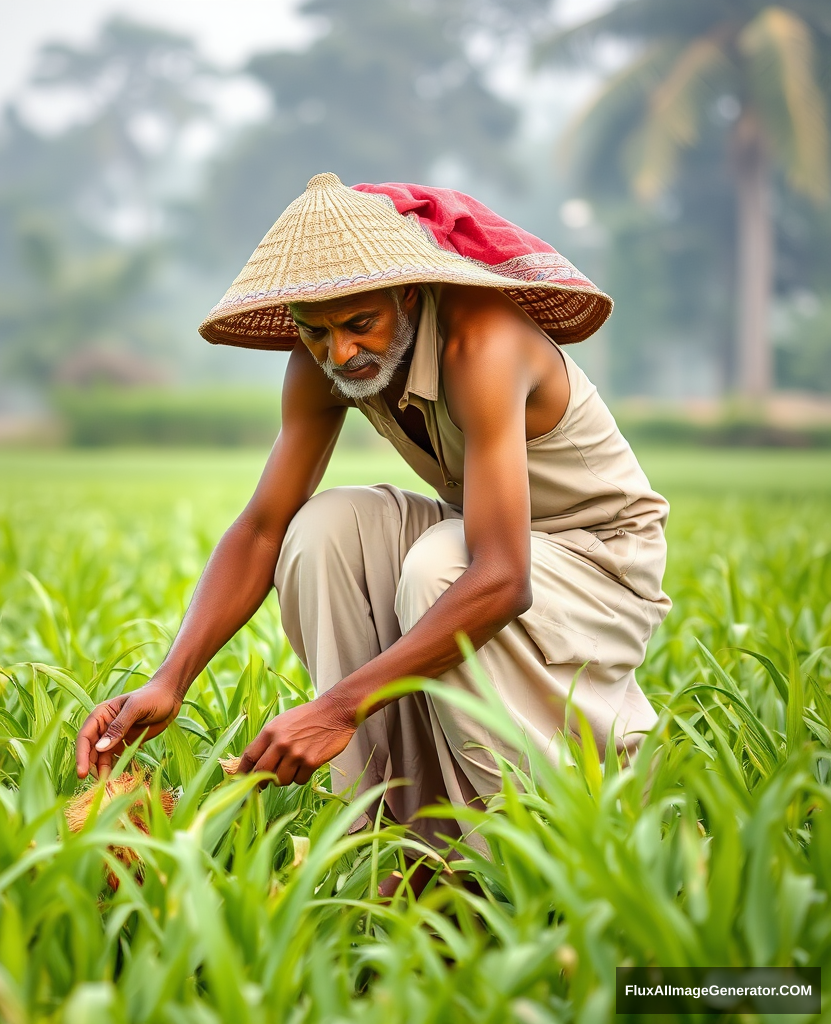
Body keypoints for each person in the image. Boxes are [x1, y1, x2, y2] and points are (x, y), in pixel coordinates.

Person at [75, 172, 671, 869]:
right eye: (318, 332)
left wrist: (337, 707)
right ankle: (384, 838)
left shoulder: (480, 344)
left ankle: (506, 857)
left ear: (408, 294)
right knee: (323, 529)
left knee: (444, 566)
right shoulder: (320, 360)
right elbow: (263, 527)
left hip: (598, 560)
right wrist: (169, 679)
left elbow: (503, 579)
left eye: (362, 324)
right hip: (481, 539)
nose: (343, 353)